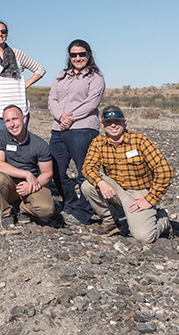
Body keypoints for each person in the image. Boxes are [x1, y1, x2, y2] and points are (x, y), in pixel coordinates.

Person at [81, 106, 174, 243]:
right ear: (102, 124)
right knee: (87, 185)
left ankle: (162, 219)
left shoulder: (140, 141)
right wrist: (101, 182)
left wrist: (149, 199)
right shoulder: (98, 142)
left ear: (124, 122)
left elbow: (165, 171)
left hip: (139, 193)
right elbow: (88, 167)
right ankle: (111, 223)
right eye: (108, 122)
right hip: (116, 189)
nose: (113, 125)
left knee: (144, 237)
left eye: (117, 121)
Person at [47, 40, 105, 225]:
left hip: (83, 129)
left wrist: (69, 118)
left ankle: (83, 211)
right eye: (73, 55)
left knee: (85, 173)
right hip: (58, 129)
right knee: (55, 170)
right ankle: (70, 203)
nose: (78, 58)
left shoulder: (95, 77)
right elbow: (52, 98)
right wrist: (60, 116)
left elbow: (91, 103)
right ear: (69, 56)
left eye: (82, 54)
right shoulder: (62, 75)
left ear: (89, 54)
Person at [0, 105, 55, 229]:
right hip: (9, 184)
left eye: (15, 119)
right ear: (4, 123)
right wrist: (26, 174)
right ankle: (6, 213)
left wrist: (31, 186)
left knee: (47, 209)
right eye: (7, 121)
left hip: (31, 185)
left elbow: (48, 173)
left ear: (24, 119)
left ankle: (21, 208)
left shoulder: (39, 143)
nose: (12, 124)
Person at [0, 21, 45, 134]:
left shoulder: (17, 53)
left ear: (7, 34)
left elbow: (40, 69)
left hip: (20, 110)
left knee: (21, 147)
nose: (0, 34)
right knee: (3, 147)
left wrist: (26, 84)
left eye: (3, 31)